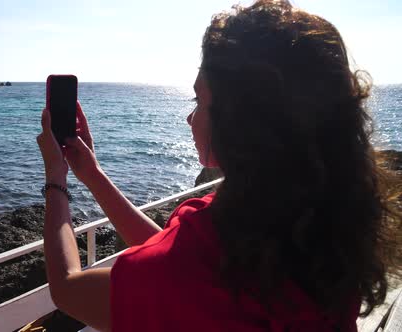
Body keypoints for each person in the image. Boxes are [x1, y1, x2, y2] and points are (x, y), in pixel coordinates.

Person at [37, 0, 402, 331]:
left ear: (240, 121)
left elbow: (68, 288)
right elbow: (178, 262)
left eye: (199, 99)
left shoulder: (189, 272)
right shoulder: (324, 224)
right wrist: (93, 175)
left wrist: (56, 180)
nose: (189, 117)